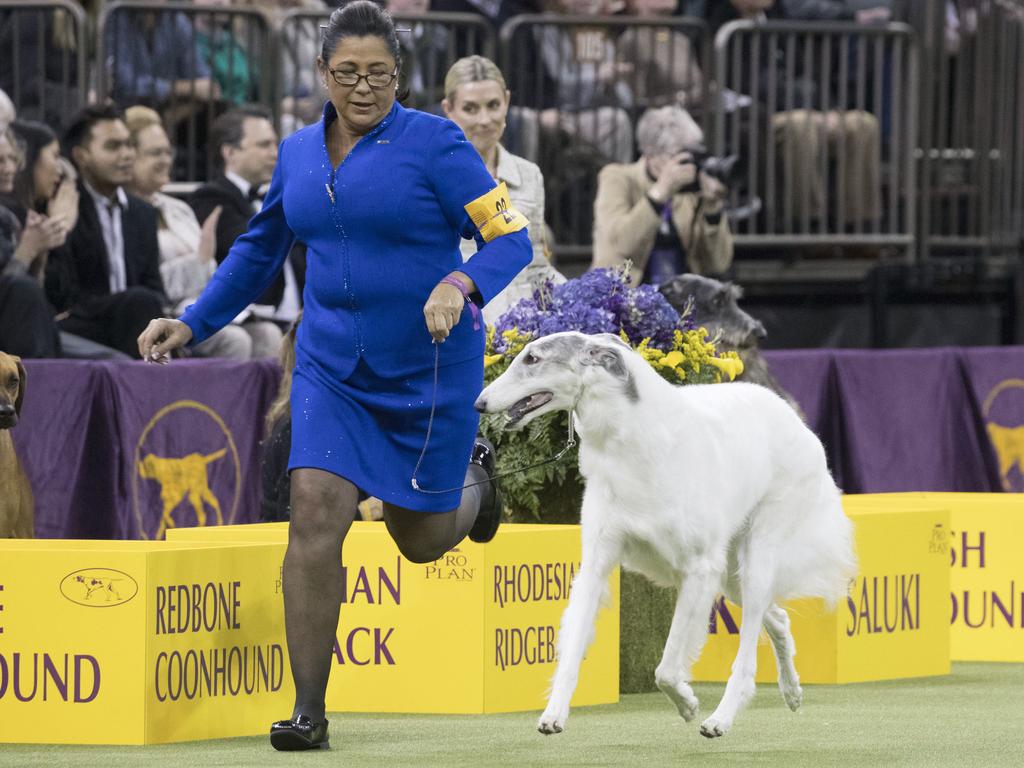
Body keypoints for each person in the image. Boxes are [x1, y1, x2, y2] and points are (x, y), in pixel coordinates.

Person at [137, 0, 531, 751]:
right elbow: (257, 251)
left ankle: (474, 488)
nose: (362, 88)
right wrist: (192, 320)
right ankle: (308, 711)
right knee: (315, 508)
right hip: (329, 367)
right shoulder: (296, 153)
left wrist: (459, 284)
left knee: (418, 539)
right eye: (346, 73)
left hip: (429, 365)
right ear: (320, 72)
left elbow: (508, 238)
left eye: (378, 74)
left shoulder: (438, 144)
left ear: (399, 76)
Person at [125, 105, 273, 359]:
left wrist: (204, 263)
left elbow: (210, 270)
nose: (165, 160)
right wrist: (199, 261)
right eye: (154, 153)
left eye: (167, 152)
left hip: (197, 303)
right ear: (129, 156)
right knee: (234, 342)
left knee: (268, 334)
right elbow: (144, 284)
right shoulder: (126, 213)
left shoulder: (179, 208)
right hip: (165, 313)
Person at [442, 55, 565, 324]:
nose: (485, 119)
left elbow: (537, 267)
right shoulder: (436, 175)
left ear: (507, 102)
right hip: (463, 320)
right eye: (471, 108)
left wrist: (581, 298)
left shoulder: (529, 174)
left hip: (523, 323)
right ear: (448, 110)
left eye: (493, 105)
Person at [45, 105, 167, 358]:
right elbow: (63, 294)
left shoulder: (142, 212)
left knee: (149, 307)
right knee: (138, 303)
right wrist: (61, 227)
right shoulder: (65, 204)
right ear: (81, 156)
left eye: (129, 145)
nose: (126, 155)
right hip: (84, 323)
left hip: (135, 319)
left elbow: (154, 285)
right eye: (113, 147)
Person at [189, 105, 294, 354]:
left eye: (275, 144)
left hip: (296, 315)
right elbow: (252, 249)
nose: (274, 152)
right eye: (264, 145)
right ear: (230, 152)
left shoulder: (280, 196)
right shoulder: (210, 197)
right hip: (253, 313)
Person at [591, 105, 733, 286]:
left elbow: (719, 264)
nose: (687, 164)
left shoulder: (692, 188)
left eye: (692, 154)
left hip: (682, 299)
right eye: (678, 155)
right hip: (624, 298)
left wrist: (712, 209)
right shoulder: (617, 177)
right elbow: (622, 244)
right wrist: (661, 191)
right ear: (651, 153)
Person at [0, 126, 65, 358]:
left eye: (11, 159)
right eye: (0, 161)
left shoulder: (8, 217)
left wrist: (39, 255)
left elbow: (32, 299)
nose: (9, 168)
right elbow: (12, 295)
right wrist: (27, 251)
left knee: (112, 361)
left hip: (25, 334)